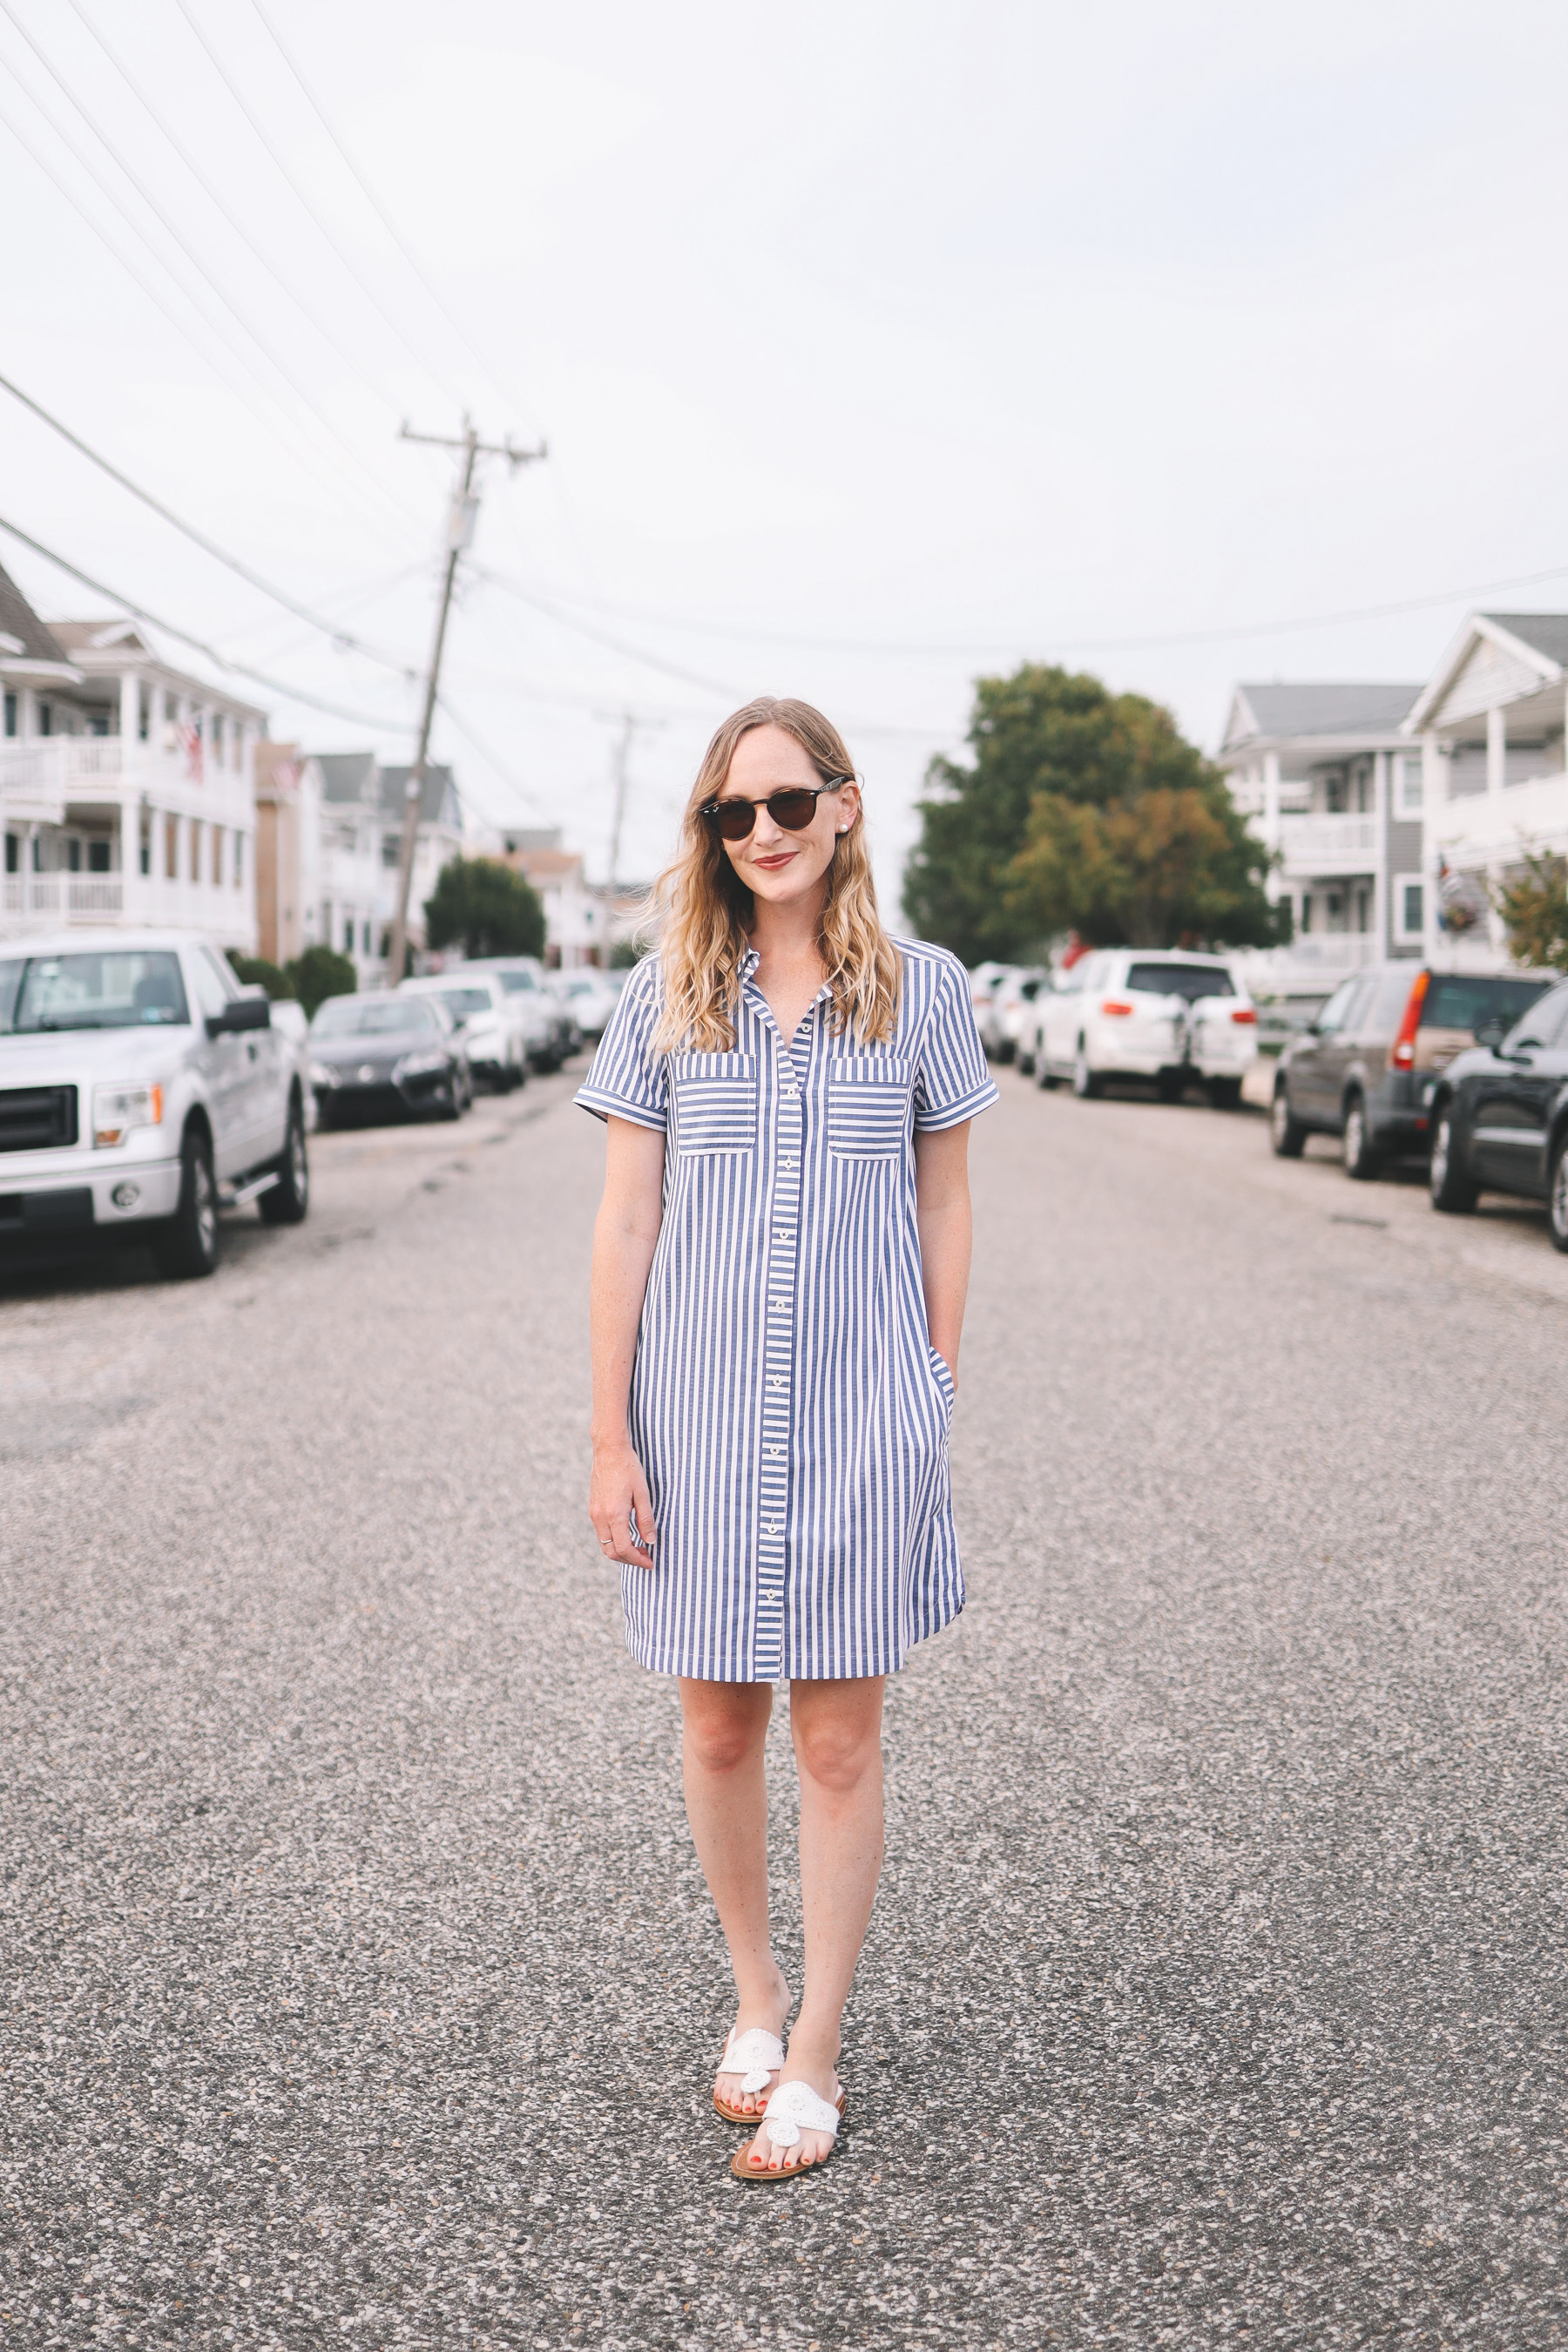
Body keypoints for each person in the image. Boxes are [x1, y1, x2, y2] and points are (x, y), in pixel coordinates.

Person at [578, 697, 997, 2182]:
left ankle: (817, 2043)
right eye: (731, 813)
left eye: (786, 803)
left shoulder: (925, 992)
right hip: (691, 1423)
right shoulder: (665, 998)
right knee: (714, 1722)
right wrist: (608, 1434)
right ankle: (754, 1999)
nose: (762, 833)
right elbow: (628, 1221)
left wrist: (932, 1384)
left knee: (835, 1734)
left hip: (860, 1424)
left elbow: (945, 1202)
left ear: (845, 805)